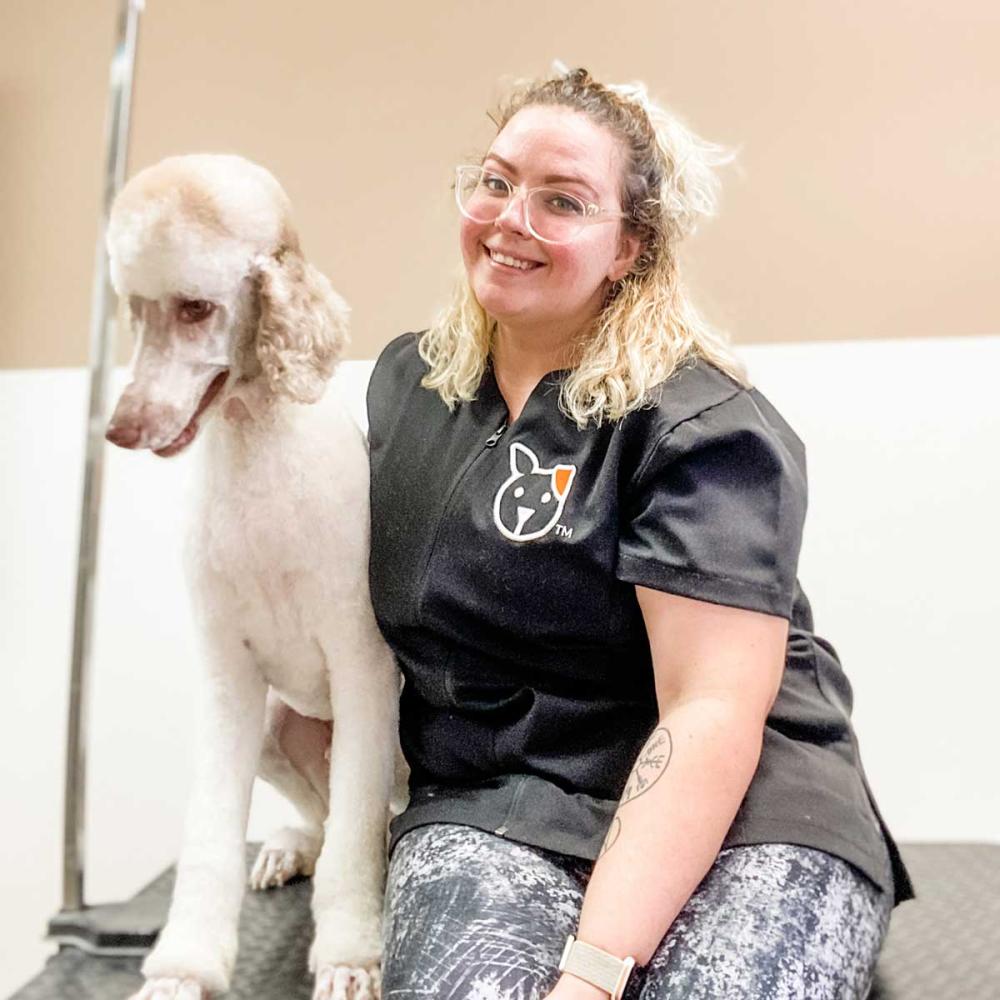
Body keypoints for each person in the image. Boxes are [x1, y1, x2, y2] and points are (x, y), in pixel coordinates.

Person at [365, 66, 914, 1000]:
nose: (509, 218)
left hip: (748, 803)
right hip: (498, 804)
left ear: (630, 247)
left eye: (563, 201)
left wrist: (590, 975)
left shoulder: (701, 424)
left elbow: (709, 713)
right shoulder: (409, 388)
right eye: (496, 181)